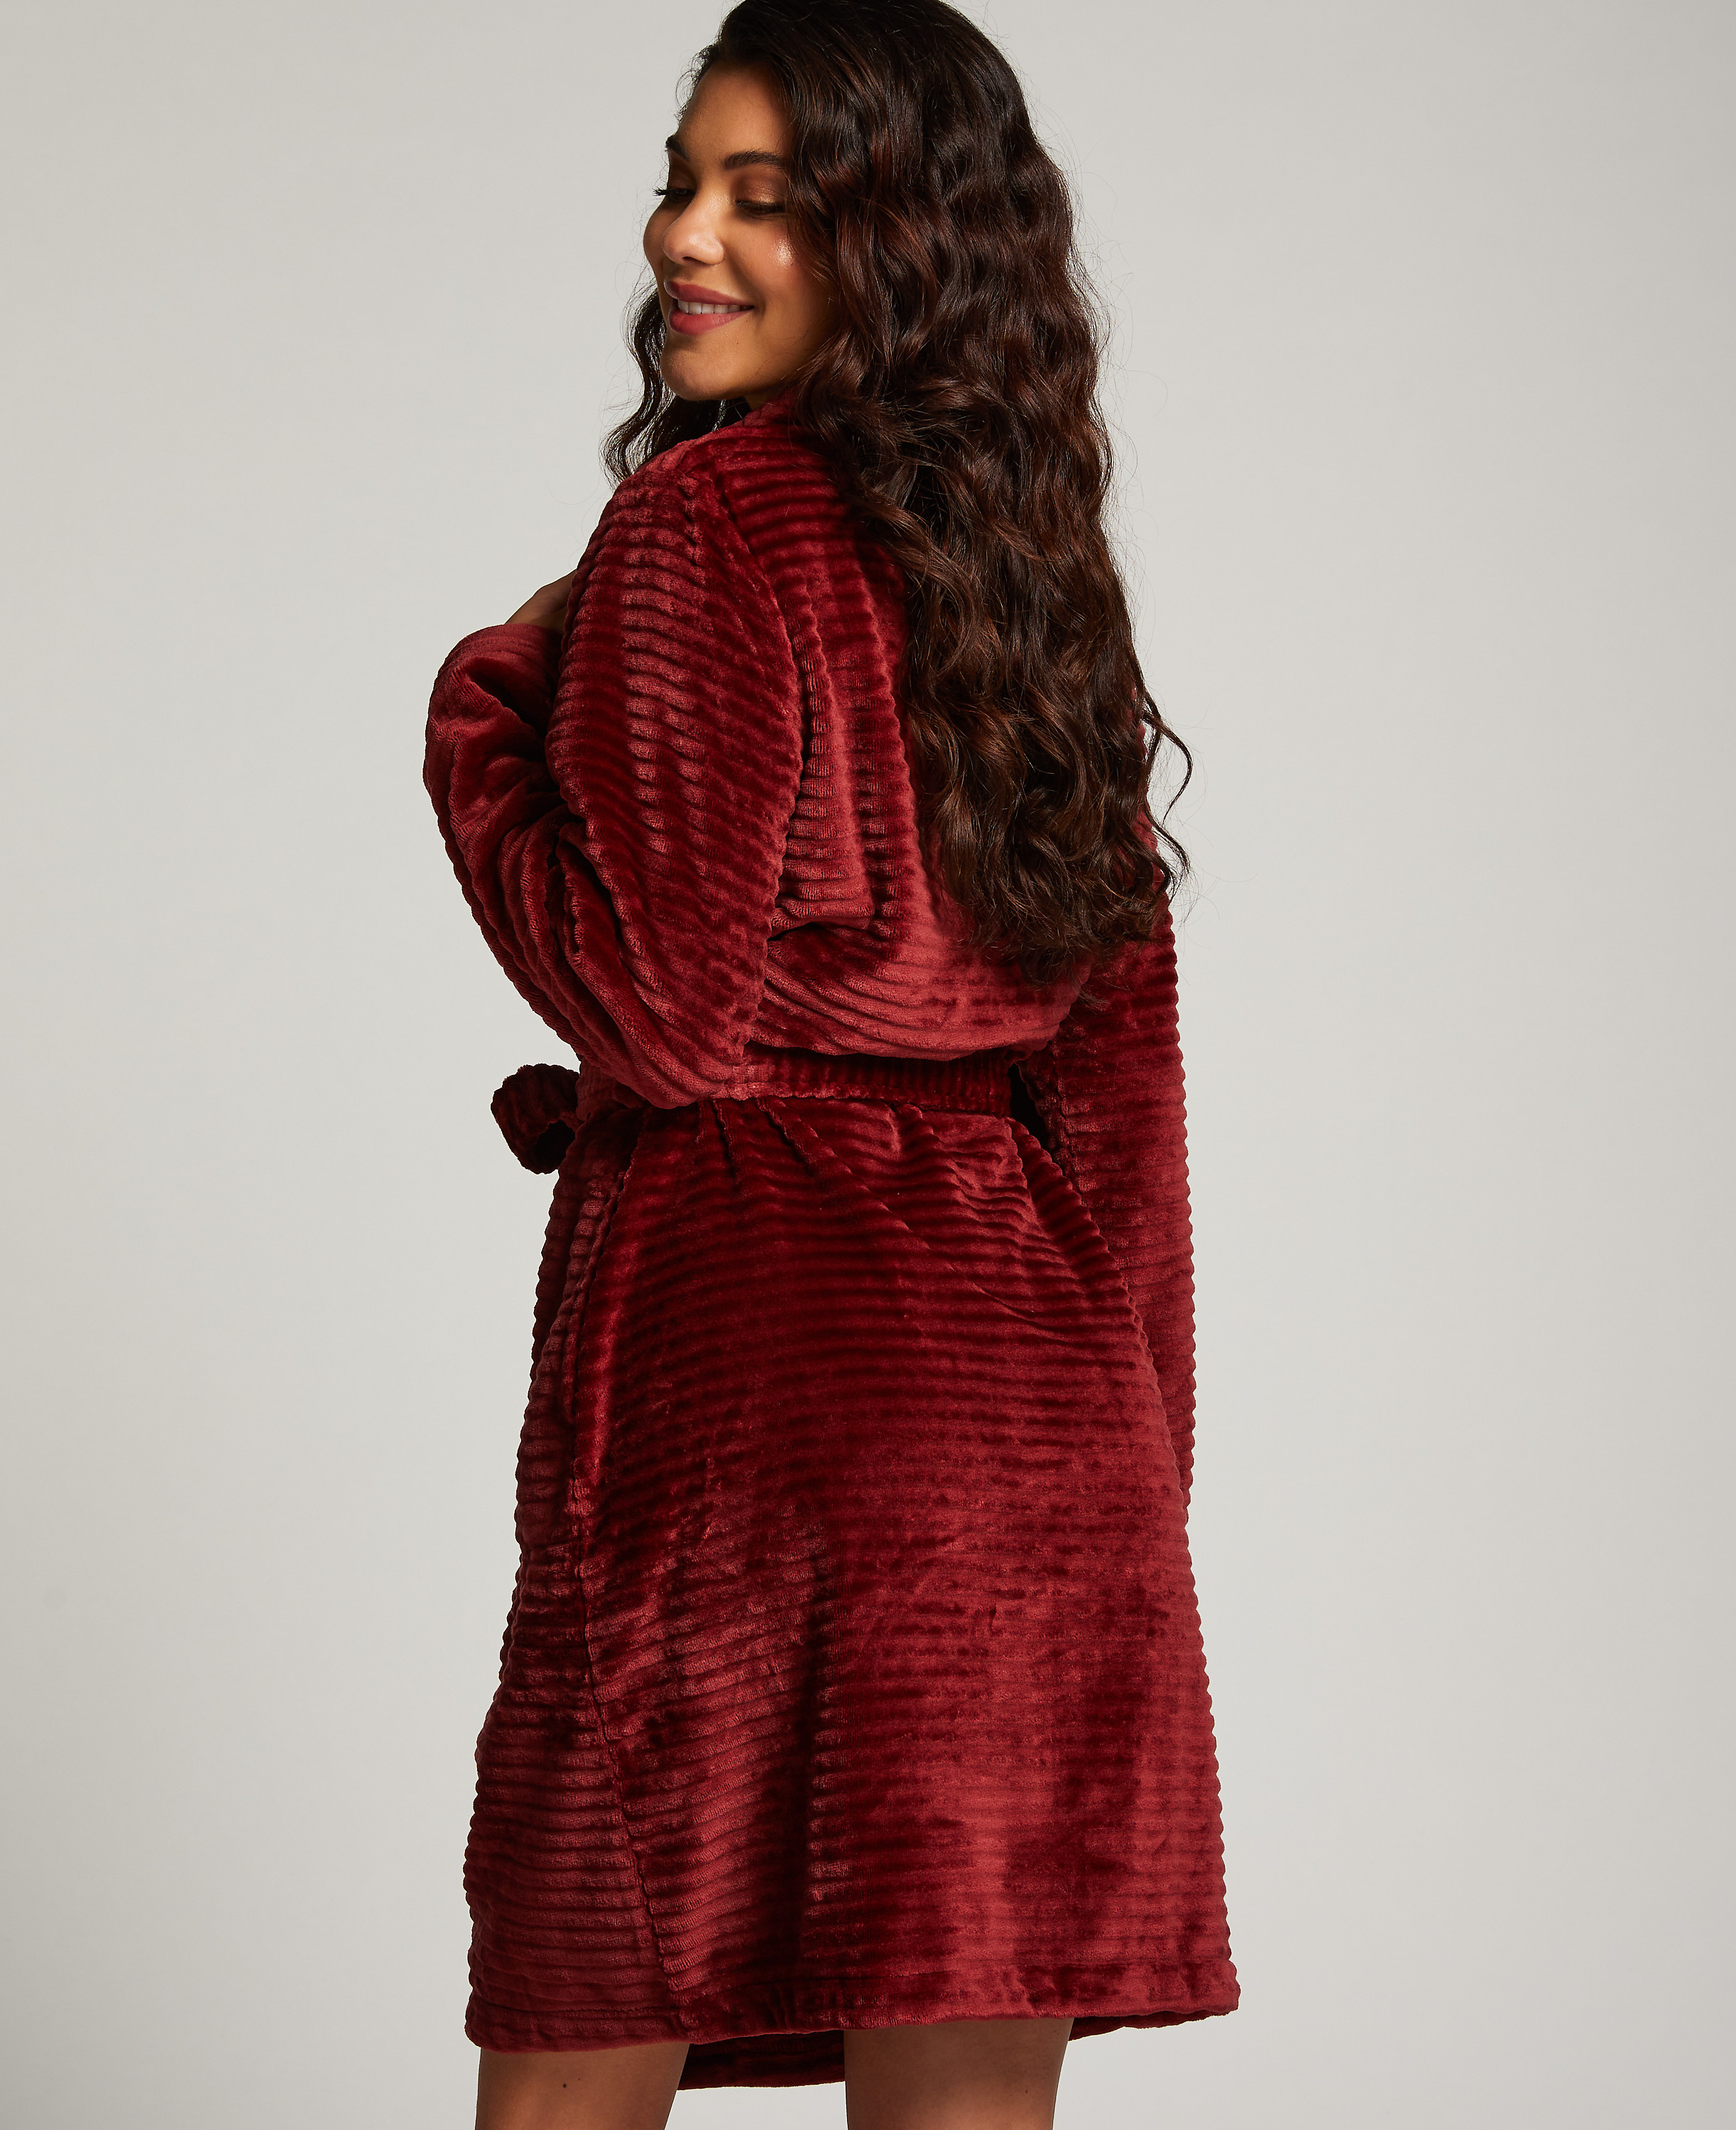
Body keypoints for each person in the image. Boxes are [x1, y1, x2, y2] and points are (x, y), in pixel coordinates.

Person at [422, 3, 1238, 2123]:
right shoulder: (1026, 580)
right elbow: (1126, 1091)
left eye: (762, 199)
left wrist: (487, 713)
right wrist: (1136, 1490)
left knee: (581, 2033)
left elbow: (659, 1011)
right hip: (1043, 1442)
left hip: (752, 1423)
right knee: (963, 2097)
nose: (684, 237)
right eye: (680, 181)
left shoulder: (705, 529)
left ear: (898, 239)